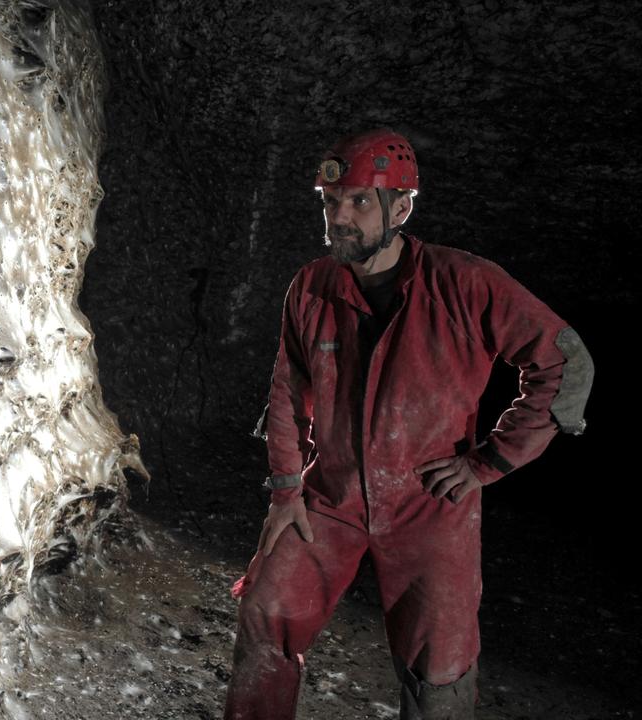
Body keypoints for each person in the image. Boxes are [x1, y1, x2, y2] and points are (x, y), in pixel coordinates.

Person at [223, 128, 595, 719]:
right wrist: (286, 490)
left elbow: (564, 362)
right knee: (267, 611)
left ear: (400, 209)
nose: (339, 216)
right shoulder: (312, 286)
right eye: (330, 201)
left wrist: (490, 462)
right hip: (332, 497)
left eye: (358, 201)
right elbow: (288, 392)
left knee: (440, 668)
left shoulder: (464, 283)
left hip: (430, 504)